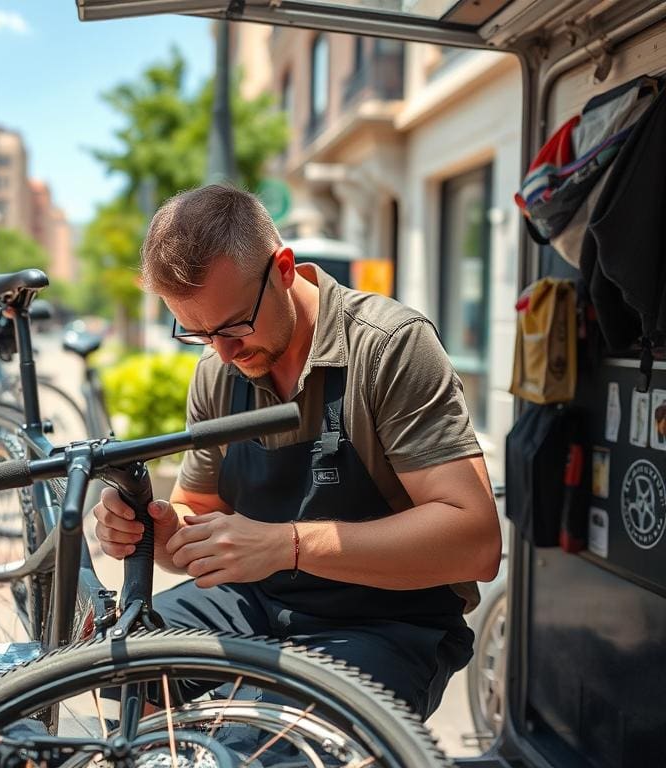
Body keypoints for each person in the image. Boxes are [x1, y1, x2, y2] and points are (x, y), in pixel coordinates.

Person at [92, 184, 501, 720]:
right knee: (124, 666)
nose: (224, 352)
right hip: (257, 601)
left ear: (283, 267)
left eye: (235, 324)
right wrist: (158, 533)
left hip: (387, 623)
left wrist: (287, 545)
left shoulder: (388, 346)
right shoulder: (220, 371)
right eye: (197, 333)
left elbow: (475, 541)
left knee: (263, 746)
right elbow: (198, 514)